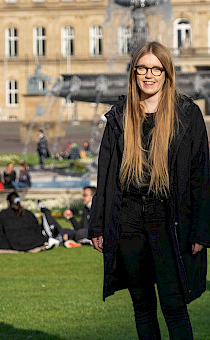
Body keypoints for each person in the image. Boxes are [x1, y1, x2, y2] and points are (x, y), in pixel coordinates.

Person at [88, 41, 209, 340]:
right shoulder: (119, 116)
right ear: (134, 72)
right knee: (142, 306)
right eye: (143, 68)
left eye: (156, 69)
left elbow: (201, 177)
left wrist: (201, 232)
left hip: (168, 219)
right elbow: (105, 176)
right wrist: (98, 224)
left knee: (173, 305)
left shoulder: (187, 114)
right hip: (128, 219)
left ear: (167, 74)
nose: (149, 75)